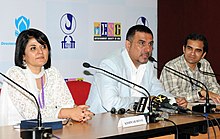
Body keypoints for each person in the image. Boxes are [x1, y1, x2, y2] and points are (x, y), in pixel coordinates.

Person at [0, 28, 94, 126]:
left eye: (43, 47)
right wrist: (66, 113)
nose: (40, 52)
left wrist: (80, 112)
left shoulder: (52, 73)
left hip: (50, 130)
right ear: (23, 55)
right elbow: (32, 115)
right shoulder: (15, 74)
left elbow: (67, 104)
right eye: (33, 48)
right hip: (17, 132)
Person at [86, 25, 187, 114]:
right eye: (142, 43)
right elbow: (111, 103)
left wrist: (173, 100)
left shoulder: (148, 64)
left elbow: (157, 91)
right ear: (128, 45)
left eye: (150, 44)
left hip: (133, 120)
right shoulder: (110, 65)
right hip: (103, 123)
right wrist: (145, 101)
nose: (148, 49)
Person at [160, 33, 220, 104]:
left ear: (203, 55)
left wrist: (205, 94)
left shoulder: (204, 64)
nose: (192, 53)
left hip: (200, 111)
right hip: (177, 113)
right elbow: (174, 97)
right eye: (189, 48)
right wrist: (200, 94)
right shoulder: (171, 67)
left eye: (197, 50)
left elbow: (215, 89)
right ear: (183, 49)